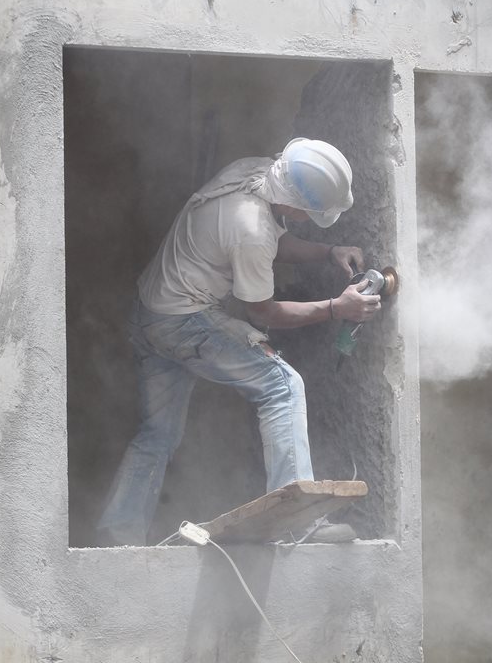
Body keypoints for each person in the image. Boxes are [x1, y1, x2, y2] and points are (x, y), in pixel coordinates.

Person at [97, 138, 381, 546]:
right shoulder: (252, 230)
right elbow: (262, 312)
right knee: (283, 386)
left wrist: (328, 251)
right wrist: (339, 307)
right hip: (184, 322)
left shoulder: (257, 172)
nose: (307, 218)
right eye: (310, 212)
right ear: (296, 206)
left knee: (158, 435)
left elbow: (269, 243)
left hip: (150, 312)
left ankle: (119, 532)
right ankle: (298, 522)